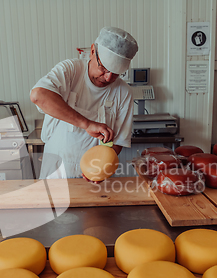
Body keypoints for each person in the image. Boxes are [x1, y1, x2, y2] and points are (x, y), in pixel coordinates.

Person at [30, 27, 138, 180]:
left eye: (116, 73)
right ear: (93, 51)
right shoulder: (71, 71)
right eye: (104, 68)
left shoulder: (124, 92)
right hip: (55, 173)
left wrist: (100, 169)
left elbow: (118, 141)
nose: (108, 78)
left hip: (93, 176)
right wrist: (87, 124)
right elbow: (38, 95)